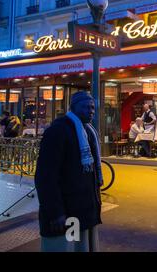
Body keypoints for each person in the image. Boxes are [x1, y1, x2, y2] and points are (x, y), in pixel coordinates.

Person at [35, 91, 102, 252]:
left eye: (92, 107)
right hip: (65, 213)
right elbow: (46, 176)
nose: (90, 111)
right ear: (73, 108)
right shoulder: (58, 131)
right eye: (85, 107)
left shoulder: (88, 132)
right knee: (65, 247)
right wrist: (55, 212)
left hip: (83, 210)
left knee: (80, 246)